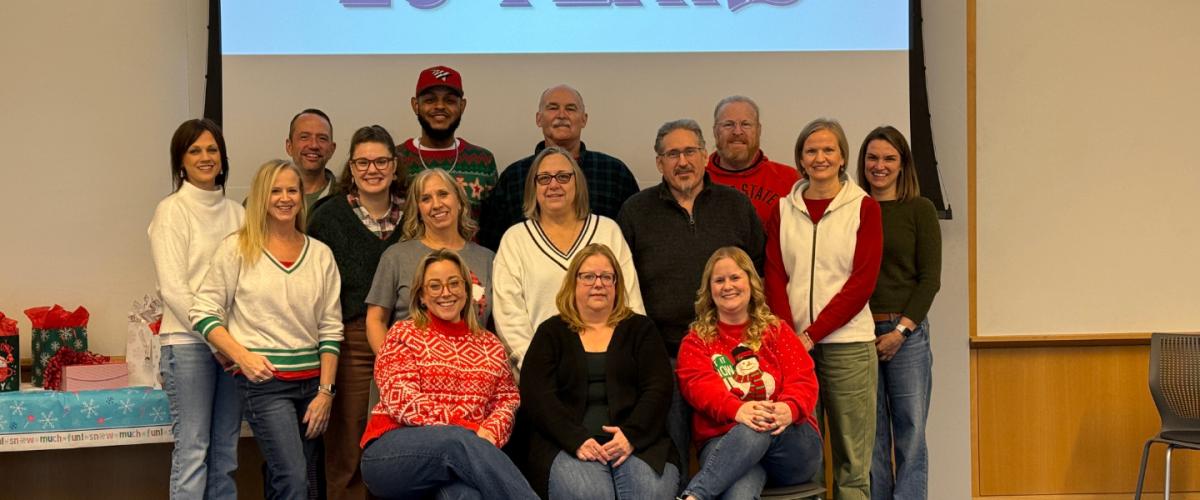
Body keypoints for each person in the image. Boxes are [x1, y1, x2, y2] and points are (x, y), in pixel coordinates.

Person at [617, 118, 765, 490]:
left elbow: (757, 271)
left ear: (704, 155)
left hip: (729, 356)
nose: (681, 161)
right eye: (671, 154)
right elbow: (623, 285)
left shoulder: (735, 205)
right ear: (659, 163)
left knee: (728, 450)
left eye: (689, 152)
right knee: (674, 453)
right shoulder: (636, 211)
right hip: (663, 355)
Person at [191, 159, 343, 500]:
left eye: (292, 190)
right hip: (266, 385)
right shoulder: (237, 248)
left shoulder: (320, 255)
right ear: (261, 197)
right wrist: (242, 356)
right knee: (292, 477)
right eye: (275, 190)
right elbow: (202, 312)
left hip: (313, 389)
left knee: (303, 481)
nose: (285, 198)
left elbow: (330, 328)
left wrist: (326, 392)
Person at [765, 118, 883, 500]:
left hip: (849, 346)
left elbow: (861, 284)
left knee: (853, 459)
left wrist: (810, 336)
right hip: (795, 352)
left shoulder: (863, 207)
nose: (820, 157)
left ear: (843, 156)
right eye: (811, 150)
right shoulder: (783, 210)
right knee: (806, 457)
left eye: (828, 149)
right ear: (800, 159)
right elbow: (775, 278)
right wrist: (790, 338)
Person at [359, 249, 536, 500]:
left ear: (466, 290)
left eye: (454, 283)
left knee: (464, 496)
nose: (446, 292)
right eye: (435, 286)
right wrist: (470, 430)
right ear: (421, 295)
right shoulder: (403, 334)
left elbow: (507, 400)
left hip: (462, 457)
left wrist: (491, 433)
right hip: (392, 454)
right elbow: (402, 401)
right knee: (455, 441)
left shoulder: (491, 345)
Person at [520, 243, 677, 499]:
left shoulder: (641, 329)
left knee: (648, 494)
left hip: (638, 443)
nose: (598, 283)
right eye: (588, 276)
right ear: (573, 283)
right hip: (568, 444)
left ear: (616, 284)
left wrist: (631, 435)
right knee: (590, 494)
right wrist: (575, 439)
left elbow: (658, 388)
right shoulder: (551, 332)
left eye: (607, 276)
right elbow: (538, 395)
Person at [307, 125, 406, 500]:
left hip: (407, 344)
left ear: (395, 166)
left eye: (381, 161)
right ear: (351, 166)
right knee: (348, 444)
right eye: (363, 162)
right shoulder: (327, 217)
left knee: (399, 442)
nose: (372, 169)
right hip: (351, 343)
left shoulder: (415, 212)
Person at [677, 246, 823, 500]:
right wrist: (738, 410)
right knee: (738, 494)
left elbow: (803, 378)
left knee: (759, 420)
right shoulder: (696, 341)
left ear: (750, 282)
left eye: (735, 277)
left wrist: (789, 407)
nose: (727, 286)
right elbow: (698, 387)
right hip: (727, 448)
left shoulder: (777, 330)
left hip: (791, 445)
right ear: (709, 290)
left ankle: (695, 496)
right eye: (719, 280)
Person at [149, 118, 245, 499]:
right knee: (193, 452)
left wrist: (231, 345)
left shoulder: (238, 213)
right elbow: (174, 288)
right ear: (180, 162)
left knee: (226, 454)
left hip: (233, 350)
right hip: (188, 346)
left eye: (212, 149)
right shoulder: (172, 211)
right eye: (195, 150)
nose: (205, 157)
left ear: (222, 158)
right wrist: (216, 340)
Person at [493, 146, 644, 370]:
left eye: (563, 176)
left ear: (578, 183)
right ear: (533, 187)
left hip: (609, 367)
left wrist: (621, 360)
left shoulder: (607, 230)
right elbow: (509, 315)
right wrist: (538, 365)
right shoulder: (515, 239)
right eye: (544, 178)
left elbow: (630, 302)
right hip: (542, 371)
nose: (554, 184)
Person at [855, 126, 941, 500]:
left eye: (889, 158)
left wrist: (901, 333)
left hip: (907, 336)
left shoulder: (919, 209)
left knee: (911, 434)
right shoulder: (852, 210)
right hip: (858, 335)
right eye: (873, 158)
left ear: (903, 164)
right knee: (869, 438)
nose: (879, 166)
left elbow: (929, 280)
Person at [478, 84, 640, 250]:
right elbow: (492, 244)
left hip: (599, 274)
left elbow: (636, 238)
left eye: (570, 108)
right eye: (553, 108)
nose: (562, 115)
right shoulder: (514, 177)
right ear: (538, 118)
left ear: (584, 119)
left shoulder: (615, 174)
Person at [366, 167, 494, 354]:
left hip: (472, 374)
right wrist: (393, 366)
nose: (436, 204)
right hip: (410, 373)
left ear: (459, 201)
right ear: (418, 209)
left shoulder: (487, 259)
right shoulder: (396, 257)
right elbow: (375, 320)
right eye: (426, 199)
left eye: (443, 194)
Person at [396, 65, 497, 222]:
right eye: (430, 100)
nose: (440, 106)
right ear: (415, 105)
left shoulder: (483, 160)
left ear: (462, 106)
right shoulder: (397, 159)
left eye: (449, 100)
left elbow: (492, 227)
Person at [705, 96, 800, 223]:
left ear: (758, 130)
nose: (737, 132)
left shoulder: (790, 180)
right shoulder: (697, 180)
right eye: (728, 124)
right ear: (715, 131)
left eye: (746, 124)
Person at [285, 108, 339, 211]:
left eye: (322, 138)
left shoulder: (348, 199)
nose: (314, 145)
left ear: (332, 149)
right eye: (304, 137)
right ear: (289, 146)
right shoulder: (263, 199)